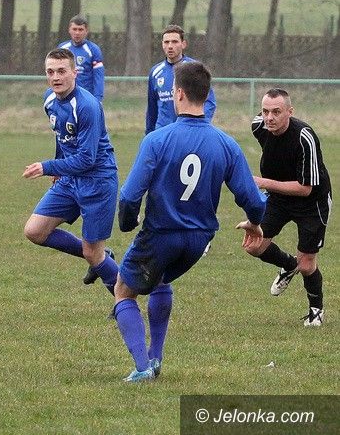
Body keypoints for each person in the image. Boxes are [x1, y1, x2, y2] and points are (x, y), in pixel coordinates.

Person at [113, 61, 267, 382]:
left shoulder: (157, 140)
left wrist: (127, 223)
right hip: (199, 241)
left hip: (161, 234)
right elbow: (253, 200)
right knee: (160, 280)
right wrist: (255, 222)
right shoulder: (226, 144)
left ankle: (142, 368)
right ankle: (156, 358)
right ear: (207, 95)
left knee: (124, 290)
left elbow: (129, 196)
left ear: (178, 93)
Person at [23, 48, 119, 293]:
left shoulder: (87, 106)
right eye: (50, 72)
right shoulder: (49, 99)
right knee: (35, 231)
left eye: (61, 71)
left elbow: (87, 159)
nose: (56, 77)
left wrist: (47, 167)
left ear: (75, 73)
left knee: (92, 252)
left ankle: (124, 301)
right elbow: (61, 135)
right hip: (69, 178)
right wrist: (59, 164)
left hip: (97, 181)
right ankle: (102, 257)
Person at [244, 88, 332, 326]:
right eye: (265, 111)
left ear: (290, 112)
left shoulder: (304, 137)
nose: (269, 117)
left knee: (307, 264)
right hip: (279, 199)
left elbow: (306, 188)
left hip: (311, 202)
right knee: (253, 245)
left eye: (276, 112)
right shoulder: (259, 126)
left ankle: (316, 311)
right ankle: (288, 264)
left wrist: (263, 182)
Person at [145, 24, 216, 135]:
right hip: (163, 134)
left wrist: (199, 126)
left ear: (183, 44)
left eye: (174, 42)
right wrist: (149, 134)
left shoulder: (194, 69)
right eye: (166, 42)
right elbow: (152, 109)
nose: (170, 46)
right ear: (162, 44)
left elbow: (210, 102)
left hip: (188, 132)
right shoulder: (155, 72)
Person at [58, 15, 105, 102]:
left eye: (80, 30)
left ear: (86, 31)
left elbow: (98, 76)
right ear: (69, 30)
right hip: (66, 96)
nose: (77, 33)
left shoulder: (93, 50)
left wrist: (98, 99)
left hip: (86, 97)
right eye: (74, 29)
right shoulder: (62, 48)